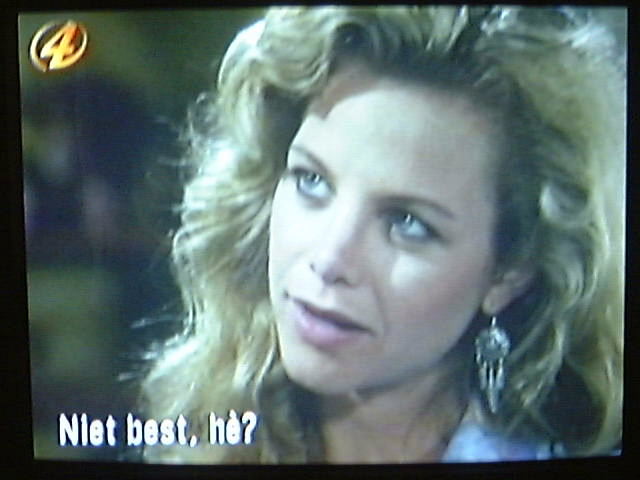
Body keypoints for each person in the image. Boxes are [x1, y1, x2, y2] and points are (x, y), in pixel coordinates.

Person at [141, 5, 624, 464]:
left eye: (407, 223)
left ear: (508, 273)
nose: (329, 258)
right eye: (312, 181)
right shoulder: (202, 432)